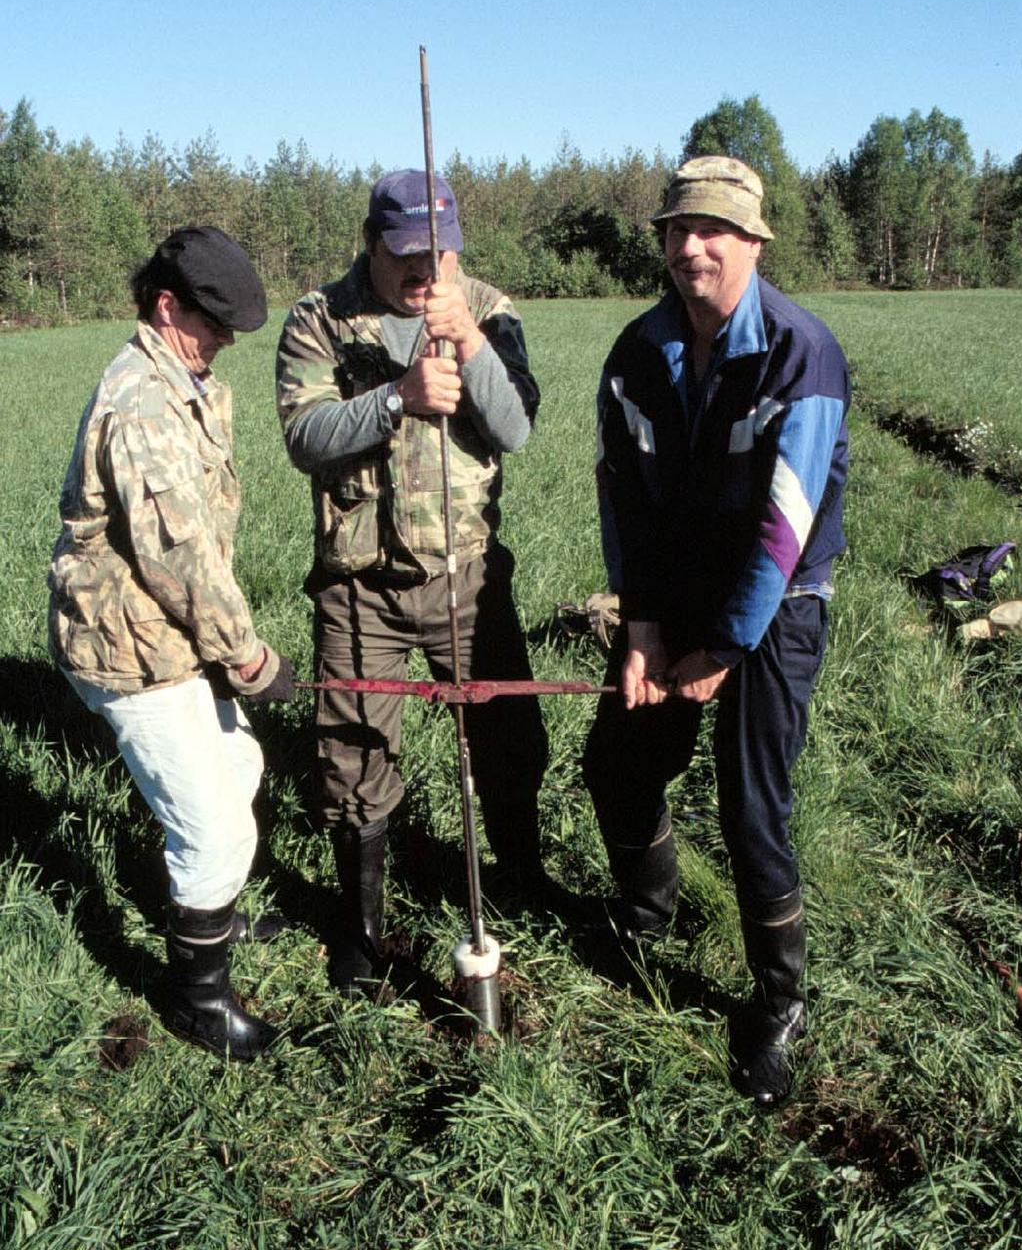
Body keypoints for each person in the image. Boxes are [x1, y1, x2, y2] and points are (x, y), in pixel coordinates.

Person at [583, 157, 850, 1106]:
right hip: (678, 599)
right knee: (616, 762)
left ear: (752, 243)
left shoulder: (798, 352)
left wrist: (722, 651)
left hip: (775, 606)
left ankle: (777, 1003)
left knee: (750, 810)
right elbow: (623, 500)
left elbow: (786, 526)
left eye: (715, 231)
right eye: (677, 229)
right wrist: (646, 629)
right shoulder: (636, 353)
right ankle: (647, 913)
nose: (691, 247)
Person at [275, 170, 549, 994]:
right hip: (362, 588)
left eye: (439, 254)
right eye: (405, 257)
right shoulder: (320, 320)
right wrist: (396, 398)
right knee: (353, 762)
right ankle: (360, 934)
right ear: (371, 243)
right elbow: (304, 435)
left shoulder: (489, 311)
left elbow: (516, 426)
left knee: (509, 742)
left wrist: (467, 341)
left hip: (470, 582)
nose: (424, 273)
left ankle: (523, 884)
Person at [48, 226, 296, 1061]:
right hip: (129, 646)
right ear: (166, 305)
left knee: (242, 769)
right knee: (217, 827)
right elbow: (180, 557)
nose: (226, 341)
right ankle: (196, 1000)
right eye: (215, 323)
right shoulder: (144, 403)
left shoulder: (184, 377)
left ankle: (207, 916)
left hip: (171, 635)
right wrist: (248, 656)